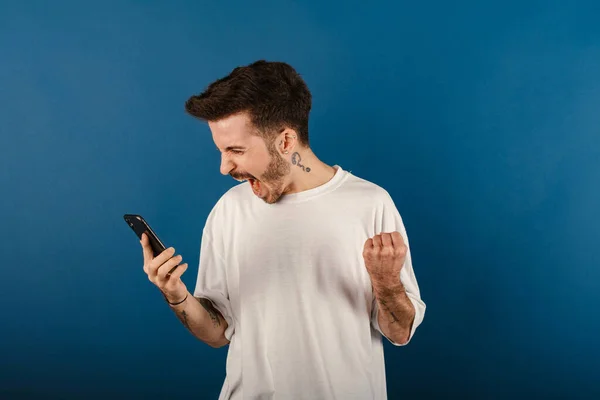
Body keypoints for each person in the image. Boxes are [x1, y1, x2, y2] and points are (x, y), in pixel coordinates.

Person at [140, 60, 426, 400]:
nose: (224, 167)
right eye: (221, 151)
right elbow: (218, 332)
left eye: (236, 150)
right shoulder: (229, 211)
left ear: (286, 141)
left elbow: (400, 332)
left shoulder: (370, 204)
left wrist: (386, 282)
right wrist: (176, 295)